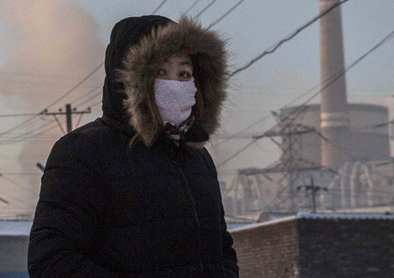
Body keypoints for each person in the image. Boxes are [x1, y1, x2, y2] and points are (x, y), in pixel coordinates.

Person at [28, 15, 239, 277]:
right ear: (129, 81)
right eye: (160, 72)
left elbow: (221, 251)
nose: (175, 85)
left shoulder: (198, 159)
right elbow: (51, 259)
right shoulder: (83, 152)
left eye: (184, 74)